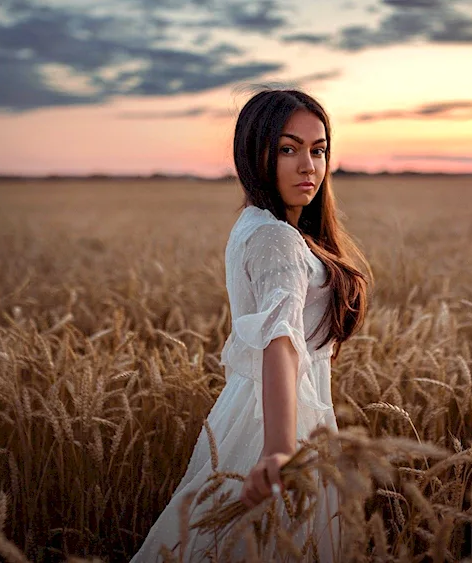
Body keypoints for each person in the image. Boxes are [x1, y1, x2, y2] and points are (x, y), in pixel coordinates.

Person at [129, 89, 371, 562]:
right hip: (277, 418)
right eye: (288, 149)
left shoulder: (257, 224)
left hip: (263, 407)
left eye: (318, 150)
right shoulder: (276, 236)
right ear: (254, 153)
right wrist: (280, 449)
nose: (309, 167)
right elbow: (280, 338)